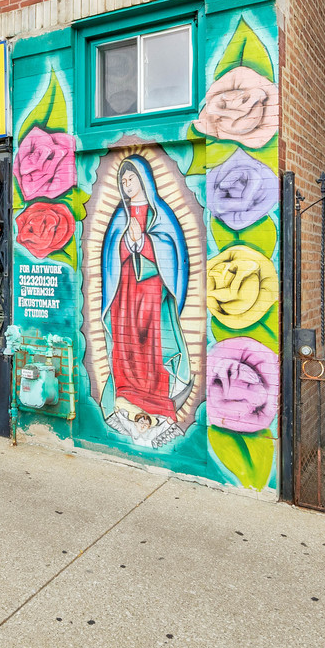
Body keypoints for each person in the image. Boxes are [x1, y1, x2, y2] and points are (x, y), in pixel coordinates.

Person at [99, 155, 191, 437]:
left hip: (152, 291)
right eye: (123, 181)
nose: (127, 185)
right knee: (125, 342)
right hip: (124, 290)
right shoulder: (119, 216)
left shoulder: (159, 214)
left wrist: (144, 240)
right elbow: (110, 252)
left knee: (151, 343)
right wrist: (127, 241)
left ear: (144, 180)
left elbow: (171, 248)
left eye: (132, 179)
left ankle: (157, 400)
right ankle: (125, 393)